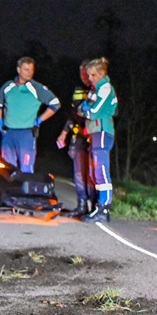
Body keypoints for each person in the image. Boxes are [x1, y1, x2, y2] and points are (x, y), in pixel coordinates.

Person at [0, 57, 61, 173]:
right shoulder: (8, 86)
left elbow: (55, 104)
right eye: (26, 69)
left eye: (31, 70)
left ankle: (27, 190)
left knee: (26, 168)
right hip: (8, 132)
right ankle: (11, 190)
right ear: (19, 70)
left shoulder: (36, 88)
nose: (30, 73)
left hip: (26, 133)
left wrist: (39, 120)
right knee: (8, 168)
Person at [80, 57, 118, 223]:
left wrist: (85, 108)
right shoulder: (96, 89)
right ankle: (99, 205)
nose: (90, 78)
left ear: (102, 74)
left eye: (93, 75)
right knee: (94, 172)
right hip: (95, 133)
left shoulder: (105, 88)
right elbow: (82, 109)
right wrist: (84, 108)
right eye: (89, 75)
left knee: (101, 171)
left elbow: (91, 111)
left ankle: (103, 207)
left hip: (102, 132)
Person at [55, 61, 95, 217]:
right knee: (79, 172)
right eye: (82, 73)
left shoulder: (99, 90)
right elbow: (73, 114)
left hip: (94, 135)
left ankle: (94, 206)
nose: (84, 76)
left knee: (92, 173)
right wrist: (64, 133)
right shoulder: (78, 90)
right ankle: (81, 205)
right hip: (78, 136)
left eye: (87, 73)